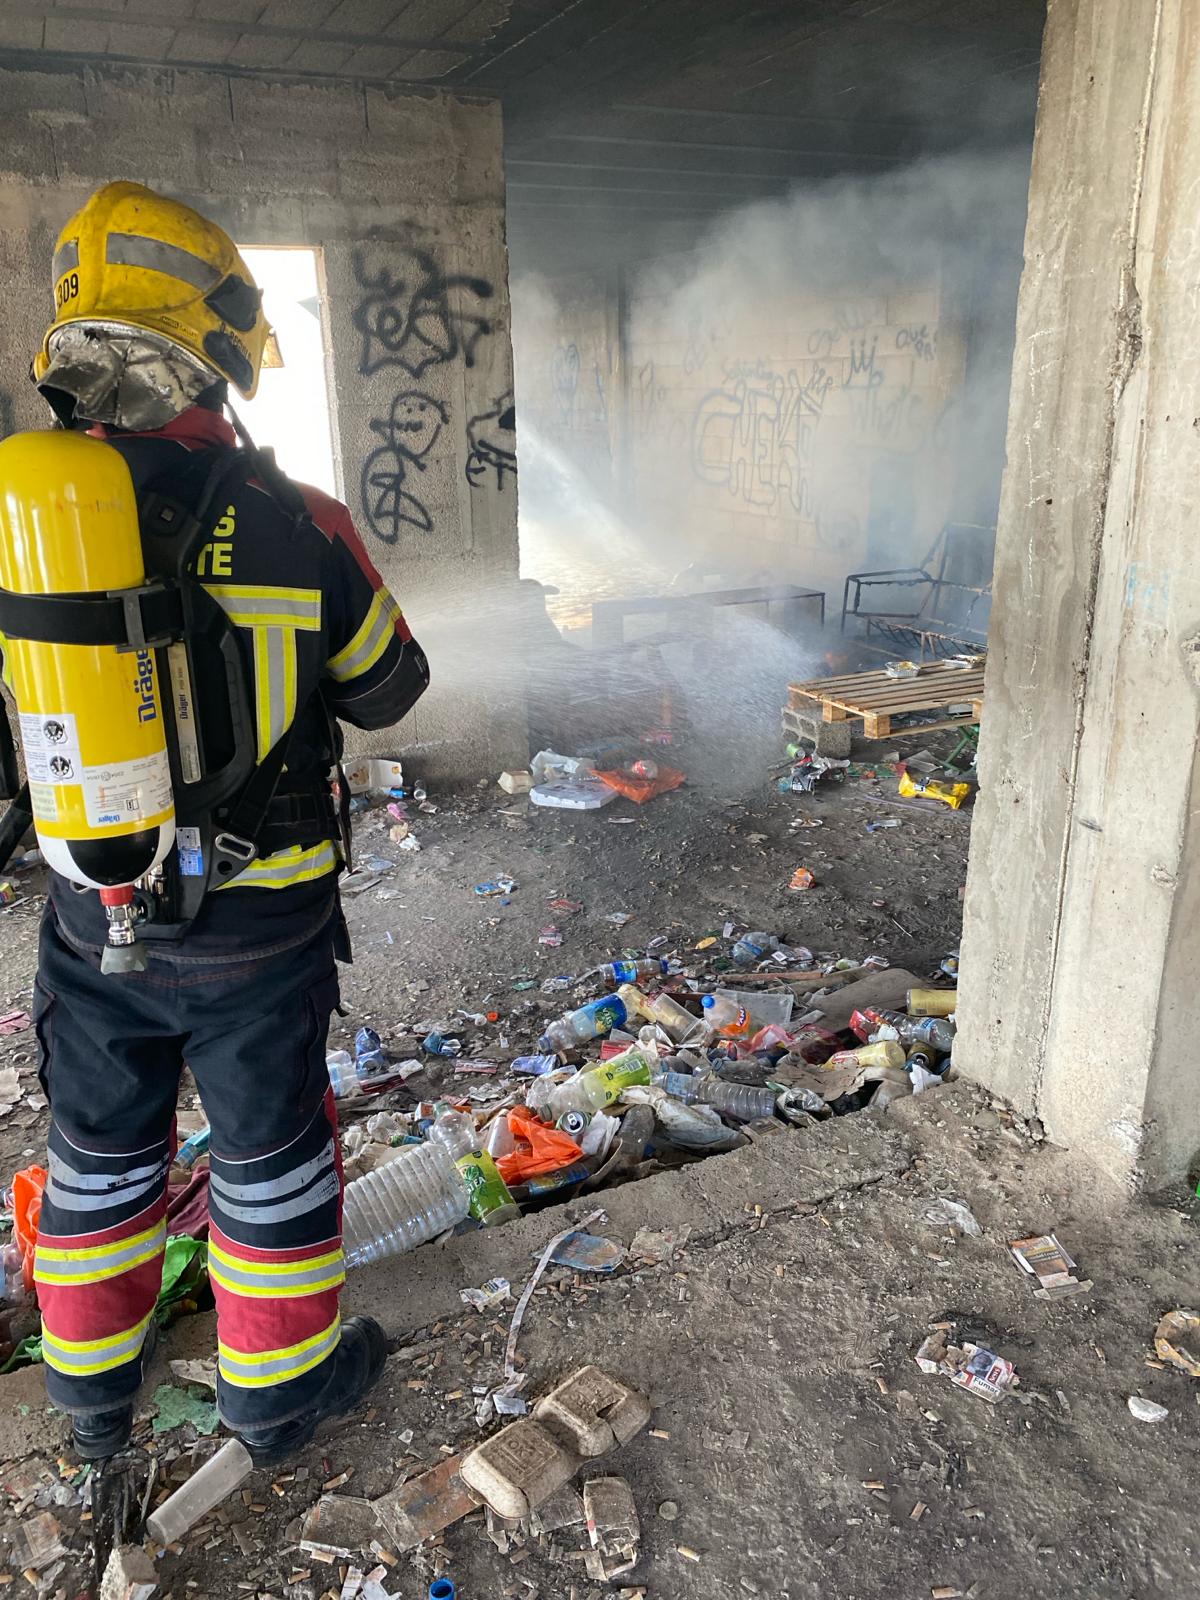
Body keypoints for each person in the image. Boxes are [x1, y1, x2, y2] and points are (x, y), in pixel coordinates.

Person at [15, 181, 430, 1465]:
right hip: (263, 923)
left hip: (97, 908)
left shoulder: (33, 535)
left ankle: (89, 1405)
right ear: (219, 342)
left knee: (95, 1161)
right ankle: (275, 1403)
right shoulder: (299, 521)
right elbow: (390, 688)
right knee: (271, 1165)